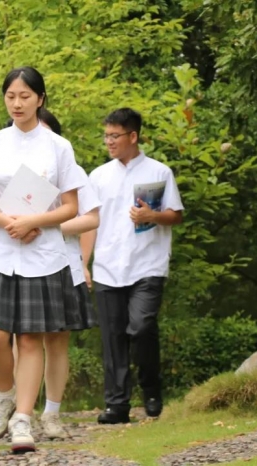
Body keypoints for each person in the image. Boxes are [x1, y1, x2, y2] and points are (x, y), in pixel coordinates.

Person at [0, 66, 86, 453]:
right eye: (11, 96)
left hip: (41, 253)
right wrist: (9, 223)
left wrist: (34, 222)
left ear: (40, 99)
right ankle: (5, 394)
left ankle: (23, 419)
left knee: (31, 337)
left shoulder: (58, 147)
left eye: (25, 96)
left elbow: (71, 206)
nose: (17, 103)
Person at [81, 107, 184, 425]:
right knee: (113, 338)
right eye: (106, 136)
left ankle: (151, 390)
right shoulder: (98, 176)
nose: (109, 142)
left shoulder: (159, 172)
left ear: (133, 136)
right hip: (108, 266)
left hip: (147, 264)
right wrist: (84, 263)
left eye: (115, 136)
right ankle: (117, 405)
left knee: (141, 327)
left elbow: (176, 215)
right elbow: (90, 222)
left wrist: (152, 216)